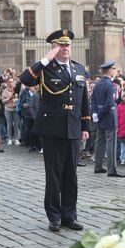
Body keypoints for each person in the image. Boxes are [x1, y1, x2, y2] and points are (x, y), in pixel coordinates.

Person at [20, 29, 90, 232]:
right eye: (61, 45)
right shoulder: (46, 68)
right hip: (52, 128)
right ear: (54, 47)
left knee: (71, 175)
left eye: (68, 45)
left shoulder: (78, 69)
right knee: (54, 175)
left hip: (73, 127)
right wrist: (44, 60)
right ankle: (54, 216)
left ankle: (70, 215)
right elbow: (26, 79)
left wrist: (85, 126)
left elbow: (83, 99)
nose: (66, 48)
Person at [91, 61, 125, 177]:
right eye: (113, 69)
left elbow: (93, 100)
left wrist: (96, 113)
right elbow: (110, 102)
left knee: (100, 141)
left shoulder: (97, 84)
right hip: (109, 116)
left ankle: (98, 166)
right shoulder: (111, 85)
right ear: (110, 71)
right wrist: (100, 113)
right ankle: (112, 169)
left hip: (100, 117)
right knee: (111, 143)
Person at [1, 78, 20, 145]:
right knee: (9, 124)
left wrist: (16, 100)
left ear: (13, 83)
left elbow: (20, 98)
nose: (10, 83)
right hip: (8, 109)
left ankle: (16, 139)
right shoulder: (4, 91)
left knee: (16, 124)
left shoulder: (16, 90)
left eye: (12, 82)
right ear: (7, 83)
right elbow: (3, 101)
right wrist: (9, 98)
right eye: (9, 82)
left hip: (15, 109)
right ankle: (9, 139)